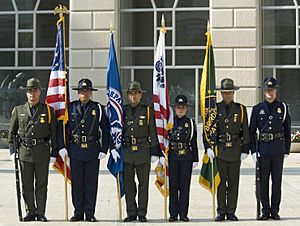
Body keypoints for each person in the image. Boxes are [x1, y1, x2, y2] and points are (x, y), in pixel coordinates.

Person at [58, 78, 111, 222]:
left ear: (90, 92)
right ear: (78, 93)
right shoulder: (70, 107)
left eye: (87, 91)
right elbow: (62, 129)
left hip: (92, 150)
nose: (84, 94)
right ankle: (78, 212)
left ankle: (90, 213)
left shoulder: (98, 108)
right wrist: (62, 146)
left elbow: (106, 130)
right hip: (75, 150)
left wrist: (104, 149)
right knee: (77, 184)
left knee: (91, 183)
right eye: (82, 91)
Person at [8, 78, 57, 222]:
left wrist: (54, 152)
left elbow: (53, 133)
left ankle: (41, 212)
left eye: (35, 91)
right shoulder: (18, 110)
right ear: (26, 93)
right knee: (26, 184)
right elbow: (12, 133)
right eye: (29, 91)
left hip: (42, 151)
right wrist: (12, 151)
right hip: (24, 151)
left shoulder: (48, 110)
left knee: (41, 184)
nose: (32, 94)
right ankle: (30, 211)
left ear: (39, 92)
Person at [207, 78, 250, 221]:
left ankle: (231, 211)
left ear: (233, 93)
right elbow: (208, 131)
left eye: (230, 92)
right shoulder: (214, 109)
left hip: (236, 150)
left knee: (233, 183)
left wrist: (245, 149)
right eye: (225, 92)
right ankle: (221, 211)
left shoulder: (241, 109)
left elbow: (245, 131)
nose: (227, 95)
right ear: (221, 93)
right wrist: (208, 147)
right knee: (220, 183)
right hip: (220, 150)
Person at [249, 77, 291, 221]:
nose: (270, 93)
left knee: (277, 181)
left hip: (278, 149)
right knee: (263, 181)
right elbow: (252, 132)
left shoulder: (283, 108)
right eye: (267, 90)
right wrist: (254, 151)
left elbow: (287, 130)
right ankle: (265, 210)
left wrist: (286, 149)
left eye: (272, 90)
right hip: (264, 149)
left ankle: (275, 210)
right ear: (263, 92)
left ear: (276, 91)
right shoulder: (257, 109)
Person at [122, 81, 161, 222]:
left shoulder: (147, 111)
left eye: (136, 93)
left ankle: (142, 212)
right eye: (131, 94)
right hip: (126, 151)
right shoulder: (123, 110)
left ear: (140, 95)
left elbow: (153, 132)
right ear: (127, 95)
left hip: (143, 151)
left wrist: (155, 151)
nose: (133, 96)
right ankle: (131, 212)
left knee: (143, 184)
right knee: (128, 184)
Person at [168, 95, 199, 222]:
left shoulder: (190, 123)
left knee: (184, 186)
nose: (180, 109)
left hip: (186, 156)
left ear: (187, 108)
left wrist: (196, 159)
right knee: (173, 186)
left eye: (183, 107)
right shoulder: (169, 122)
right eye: (178, 107)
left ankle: (183, 213)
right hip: (173, 156)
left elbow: (194, 142)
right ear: (174, 108)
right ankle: (173, 214)